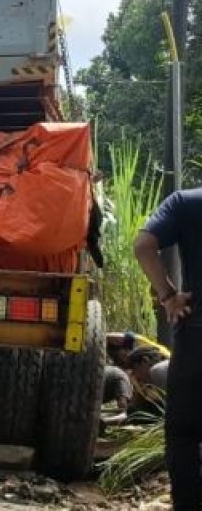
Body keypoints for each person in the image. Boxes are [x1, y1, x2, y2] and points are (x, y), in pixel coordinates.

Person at [134, 189, 202, 509]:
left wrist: (168, 295)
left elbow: (143, 245)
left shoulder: (185, 202)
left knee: (183, 433)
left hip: (196, 336)